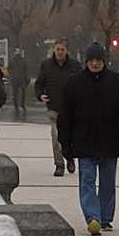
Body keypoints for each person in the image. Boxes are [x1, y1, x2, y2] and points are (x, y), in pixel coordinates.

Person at [58, 42, 119, 236]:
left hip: (109, 141)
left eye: (98, 60)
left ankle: (105, 218)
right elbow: (65, 117)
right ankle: (92, 217)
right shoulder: (74, 84)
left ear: (104, 61)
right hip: (83, 141)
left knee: (108, 182)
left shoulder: (118, 83)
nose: (95, 63)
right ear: (86, 61)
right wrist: (65, 144)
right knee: (87, 179)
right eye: (92, 60)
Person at [35, 40, 82, 176]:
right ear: (54, 50)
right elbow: (39, 83)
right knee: (56, 137)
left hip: (71, 108)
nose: (60, 52)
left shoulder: (75, 65)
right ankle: (59, 164)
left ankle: (70, 157)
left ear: (66, 51)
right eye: (58, 49)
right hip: (54, 107)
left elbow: (81, 83)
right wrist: (40, 95)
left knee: (71, 137)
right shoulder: (46, 65)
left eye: (62, 49)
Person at [9, 48, 28, 119]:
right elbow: (9, 68)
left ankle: (22, 104)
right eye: (16, 51)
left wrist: (26, 77)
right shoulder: (11, 61)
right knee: (15, 93)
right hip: (14, 79)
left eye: (18, 52)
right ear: (14, 53)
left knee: (23, 91)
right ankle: (16, 105)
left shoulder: (23, 60)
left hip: (21, 78)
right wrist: (11, 75)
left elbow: (25, 69)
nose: (17, 53)